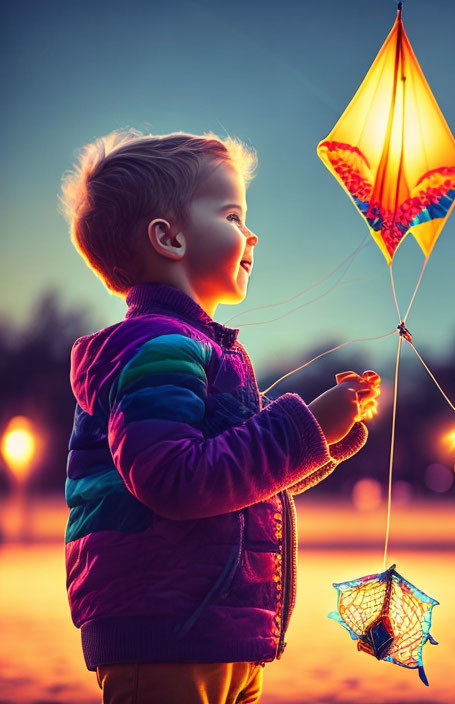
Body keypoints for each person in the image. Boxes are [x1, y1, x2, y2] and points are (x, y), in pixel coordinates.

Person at [59, 130, 381, 703]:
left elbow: (236, 485)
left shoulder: (198, 348)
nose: (251, 233)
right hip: (168, 637)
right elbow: (175, 479)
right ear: (169, 238)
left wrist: (326, 435)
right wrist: (304, 427)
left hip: (216, 630)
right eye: (232, 215)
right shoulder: (158, 347)